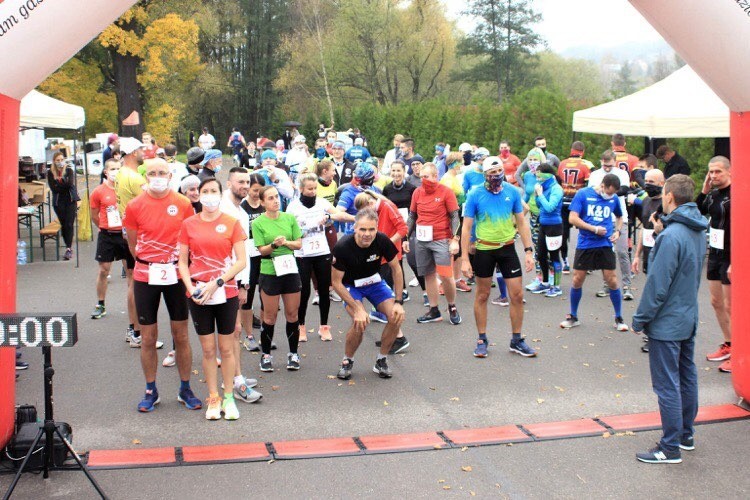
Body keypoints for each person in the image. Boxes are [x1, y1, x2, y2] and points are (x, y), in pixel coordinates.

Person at [632, 174, 707, 464]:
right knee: (686, 376)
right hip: (688, 314)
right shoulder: (696, 230)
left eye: (663, 193)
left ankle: (670, 446)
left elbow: (657, 285)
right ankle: (685, 434)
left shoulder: (671, 236)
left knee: (667, 384)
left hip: (668, 321)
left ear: (670, 197)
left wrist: (640, 319)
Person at [178, 177, 261, 421]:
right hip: (199, 294)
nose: (210, 195)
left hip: (225, 292)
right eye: (205, 191)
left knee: (226, 348)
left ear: (220, 194)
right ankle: (213, 397)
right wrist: (190, 287)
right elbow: (182, 262)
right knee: (207, 350)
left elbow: (241, 261)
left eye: (214, 191)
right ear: (199, 195)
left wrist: (219, 282)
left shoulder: (232, 223)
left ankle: (229, 397)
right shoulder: (188, 224)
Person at [123, 158, 201, 413]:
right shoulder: (135, 206)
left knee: (181, 334)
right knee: (148, 337)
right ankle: (150, 389)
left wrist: (175, 265)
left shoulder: (183, 204)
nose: (157, 176)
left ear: (170, 176)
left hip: (177, 275)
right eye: (153, 173)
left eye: (162, 173)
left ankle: (185, 387)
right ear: (146, 176)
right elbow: (133, 245)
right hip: (147, 275)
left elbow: (190, 240)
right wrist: (151, 263)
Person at [461, 156, 536, 358]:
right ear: (485, 175)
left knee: (517, 295)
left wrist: (529, 251)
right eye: (492, 173)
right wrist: (465, 259)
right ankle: (481, 338)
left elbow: (522, 222)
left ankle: (517, 339)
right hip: (484, 249)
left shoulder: (512, 192)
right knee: (483, 295)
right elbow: (466, 227)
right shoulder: (475, 194)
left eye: (499, 172)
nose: (496, 176)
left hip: (508, 249)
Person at [333, 209, 405, 380]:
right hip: (351, 286)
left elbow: (397, 269)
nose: (367, 234)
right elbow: (336, 283)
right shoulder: (343, 246)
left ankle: (381, 360)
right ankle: (347, 361)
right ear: (355, 228)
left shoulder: (382, 240)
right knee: (361, 321)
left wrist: (398, 301)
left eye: (371, 229)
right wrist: (357, 308)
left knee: (396, 316)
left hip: (374, 283)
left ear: (377, 228)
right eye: (363, 229)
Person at [287, 173, 354, 342]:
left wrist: (337, 218)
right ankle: (301, 326)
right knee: (304, 291)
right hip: (302, 253)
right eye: (309, 189)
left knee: (324, 289)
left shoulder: (322, 202)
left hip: (322, 252)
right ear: (301, 189)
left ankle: (324, 326)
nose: (313, 191)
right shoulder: (293, 207)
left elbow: (339, 214)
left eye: (315, 188)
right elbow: (287, 229)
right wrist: (299, 231)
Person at [218, 167, 264, 403]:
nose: (245, 186)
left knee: (234, 332)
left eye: (247, 182)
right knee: (230, 332)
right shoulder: (222, 209)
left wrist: (244, 283)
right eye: (240, 182)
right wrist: (237, 281)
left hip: (238, 279)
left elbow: (243, 251)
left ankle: (237, 376)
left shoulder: (242, 213)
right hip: (222, 280)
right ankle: (236, 383)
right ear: (228, 184)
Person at [560, 173, 628, 332]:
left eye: (613, 194)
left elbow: (619, 216)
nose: (609, 196)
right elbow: (572, 218)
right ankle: (573, 316)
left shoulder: (614, 199)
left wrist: (617, 232)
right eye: (608, 192)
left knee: (611, 279)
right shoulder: (583, 194)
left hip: (605, 243)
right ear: (602, 185)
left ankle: (618, 317)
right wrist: (593, 229)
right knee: (578, 279)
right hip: (586, 243)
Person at [252, 185, 303, 372]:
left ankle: (293, 354)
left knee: (292, 314)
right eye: (271, 198)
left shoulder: (289, 218)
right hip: (270, 270)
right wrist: (274, 244)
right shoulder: (257, 223)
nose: (275, 201)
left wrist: (286, 243)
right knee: (270, 316)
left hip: (289, 269)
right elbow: (261, 250)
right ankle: (266, 355)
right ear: (263, 202)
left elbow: (298, 244)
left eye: (277, 197)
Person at [408, 162, 462, 325]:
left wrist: (455, 240)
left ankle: (452, 306)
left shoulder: (446, 192)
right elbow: (412, 216)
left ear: (435, 176)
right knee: (428, 275)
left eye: (426, 177)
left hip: (441, 239)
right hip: (422, 240)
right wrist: (405, 237)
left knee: (446, 275)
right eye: (421, 177)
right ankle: (434, 310)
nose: (423, 180)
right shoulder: (417, 192)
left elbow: (454, 217)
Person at [697, 156, 732, 373]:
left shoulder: (737, 195)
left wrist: (737, 259)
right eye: (711, 172)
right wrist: (703, 189)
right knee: (715, 301)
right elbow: (698, 210)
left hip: (731, 255)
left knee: (731, 306)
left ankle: (740, 351)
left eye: (718, 171)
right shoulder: (713, 195)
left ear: (729, 171)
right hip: (716, 253)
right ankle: (729, 343)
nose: (713, 176)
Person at [90, 160, 134, 320]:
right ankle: (100, 304)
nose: (115, 172)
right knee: (103, 270)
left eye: (118, 169)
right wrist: (103, 226)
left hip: (125, 234)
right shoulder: (98, 191)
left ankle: (134, 305)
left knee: (131, 271)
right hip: (107, 234)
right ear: (106, 172)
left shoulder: (126, 189)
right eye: (112, 169)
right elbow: (94, 214)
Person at [589, 150, 634, 301]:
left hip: (620, 217)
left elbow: (625, 190)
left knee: (622, 252)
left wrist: (609, 192)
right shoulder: (595, 175)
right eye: (604, 165)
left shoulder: (622, 174)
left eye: (609, 165)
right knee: (606, 253)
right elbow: (591, 192)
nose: (606, 168)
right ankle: (607, 284)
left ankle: (627, 286)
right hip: (602, 217)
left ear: (614, 162)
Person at [115, 138, 147, 346]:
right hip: (138, 233)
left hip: (126, 230)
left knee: (131, 281)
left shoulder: (120, 173)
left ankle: (133, 329)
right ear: (133, 152)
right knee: (136, 283)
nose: (144, 152)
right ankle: (137, 331)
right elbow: (153, 200)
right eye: (141, 149)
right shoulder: (134, 178)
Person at [383, 160, 421, 303]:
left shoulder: (412, 189)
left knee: (413, 260)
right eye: (393, 171)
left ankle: (425, 288)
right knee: (396, 260)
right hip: (394, 229)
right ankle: (402, 290)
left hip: (410, 227)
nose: (396, 174)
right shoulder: (387, 189)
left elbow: (416, 209)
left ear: (404, 172)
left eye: (399, 171)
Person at [557, 141, 593, 273]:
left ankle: (565, 262)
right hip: (579, 203)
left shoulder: (562, 163)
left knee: (564, 233)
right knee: (585, 232)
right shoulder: (586, 164)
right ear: (582, 152)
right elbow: (589, 185)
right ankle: (585, 263)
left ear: (571, 150)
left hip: (564, 202)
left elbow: (559, 181)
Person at [440, 152, 472, 293]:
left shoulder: (454, 178)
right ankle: (443, 282)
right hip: (450, 218)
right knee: (449, 251)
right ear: (454, 163)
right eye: (460, 162)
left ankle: (457, 280)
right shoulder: (447, 180)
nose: (462, 165)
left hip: (458, 215)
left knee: (457, 250)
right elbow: (444, 201)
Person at [532, 163, 564, 297]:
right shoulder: (543, 187)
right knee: (541, 255)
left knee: (554, 256)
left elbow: (550, 207)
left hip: (554, 225)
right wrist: (536, 195)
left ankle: (556, 286)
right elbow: (539, 205)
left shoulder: (556, 188)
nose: (537, 178)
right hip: (543, 225)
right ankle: (545, 283)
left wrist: (540, 195)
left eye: (539, 175)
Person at [47, 152, 79, 261]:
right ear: (54, 161)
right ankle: (67, 244)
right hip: (58, 202)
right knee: (64, 224)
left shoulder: (69, 170)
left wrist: (59, 184)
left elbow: (70, 184)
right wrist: (60, 186)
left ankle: (68, 248)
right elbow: (53, 188)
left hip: (70, 200)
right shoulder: (50, 172)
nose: (60, 162)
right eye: (57, 160)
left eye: (61, 159)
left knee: (69, 224)